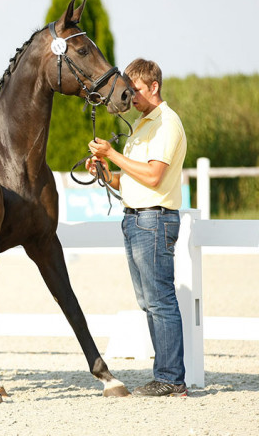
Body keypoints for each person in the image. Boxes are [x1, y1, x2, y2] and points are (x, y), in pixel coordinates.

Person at [86, 58, 188, 397]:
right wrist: (105, 172)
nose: (131, 97)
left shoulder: (165, 124)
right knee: (149, 301)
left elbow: (154, 175)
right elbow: (130, 179)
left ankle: (171, 378)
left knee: (160, 300)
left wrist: (112, 154)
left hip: (153, 219)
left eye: (137, 91)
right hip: (137, 217)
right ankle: (167, 375)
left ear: (154, 87)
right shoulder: (144, 124)